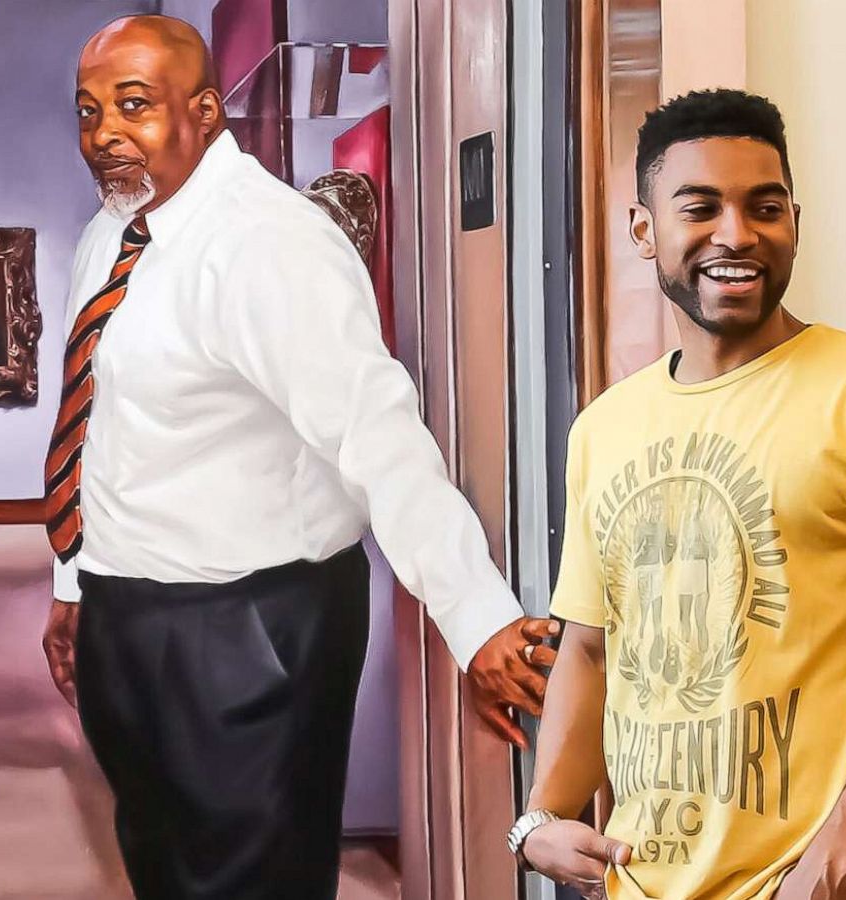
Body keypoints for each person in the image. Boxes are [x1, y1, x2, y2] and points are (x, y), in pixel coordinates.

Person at [38, 15, 558, 900]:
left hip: (250, 630)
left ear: (205, 113)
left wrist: (476, 620)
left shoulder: (269, 244)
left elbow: (377, 434)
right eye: (88, 112)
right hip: (128, 614)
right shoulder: (110, 235)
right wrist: (76, 587)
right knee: (164, 865)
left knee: (252, 881)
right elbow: (102, 428)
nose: (105, 136)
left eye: (134, 106)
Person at [509, 89, 846, 900]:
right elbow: (593, 648)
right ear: (644, 230)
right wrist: (540, 821)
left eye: (764, 207)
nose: (736, 234)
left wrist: (835, 863)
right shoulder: (603, 428)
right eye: (699, 207)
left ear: (794, 225)